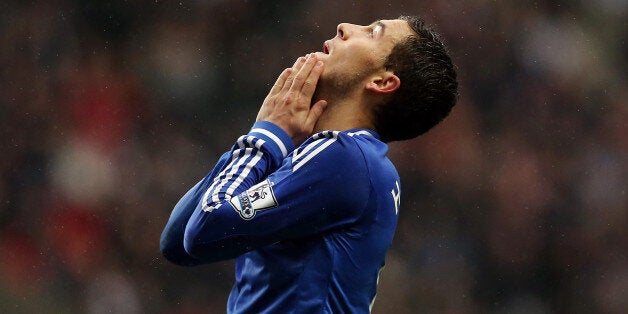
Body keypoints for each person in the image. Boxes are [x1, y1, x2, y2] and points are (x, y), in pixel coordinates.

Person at [160, 15, 458, 313]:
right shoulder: (331, 156)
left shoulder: (347, 159)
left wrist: (264, 137)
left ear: (382, 82)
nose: (345, 26)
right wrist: (269, 139)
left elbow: (204, 230)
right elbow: (177, 242)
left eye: (372, 33)